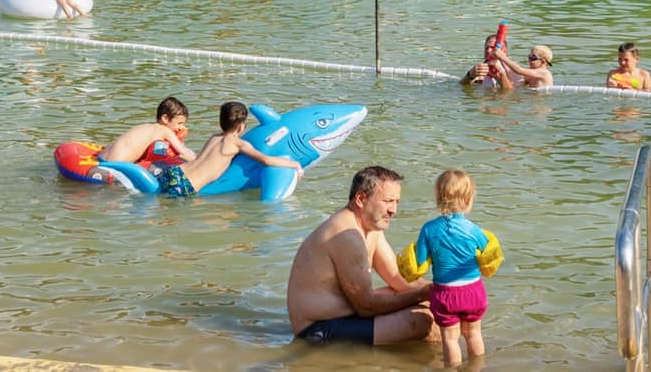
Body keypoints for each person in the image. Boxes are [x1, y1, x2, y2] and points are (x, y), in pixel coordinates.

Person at [286, 166, 434, 346]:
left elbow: (399, 280)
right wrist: (422, 295)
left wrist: (447, 289)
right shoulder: (347, 234)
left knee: (434, 307)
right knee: (424, 320)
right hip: (318, 330)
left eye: (397, 201)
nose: (393, 210)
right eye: (388, 201)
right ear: (361, 199)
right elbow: (366, 306)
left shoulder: (371, 227)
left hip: (346, 314)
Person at [401, 169, 501, 366]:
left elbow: (419, 262)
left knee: (450, 339)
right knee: (473, 334)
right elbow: (489, 257)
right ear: (469, 198)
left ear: (438, 197)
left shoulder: (429, 229)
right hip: (473, 292)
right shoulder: (474, 230)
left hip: (445, 294)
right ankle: (476, 369)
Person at [153, 101, 302, 197]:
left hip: (174, 172)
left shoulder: (214, 137)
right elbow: (265, 160)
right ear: (241, 126)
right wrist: (295, 164)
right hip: (187, 185)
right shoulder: (238, 144)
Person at [98, 97, 195, 165]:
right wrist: (198, 162)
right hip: (116, 164)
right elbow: (184, 154)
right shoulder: (165, 130)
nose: (181, 128)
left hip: (102, 157)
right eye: (179, 123)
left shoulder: (146, 127)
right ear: (165, 118)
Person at [489, 43, 555, 88]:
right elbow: (512, 74)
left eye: (532, 58)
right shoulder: (532, 75)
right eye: (529, 56)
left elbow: (519, 70)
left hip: (542, 105)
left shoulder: (544, 73)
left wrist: (503, 57)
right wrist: (500, 60)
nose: (529, 60)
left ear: (543, 61)